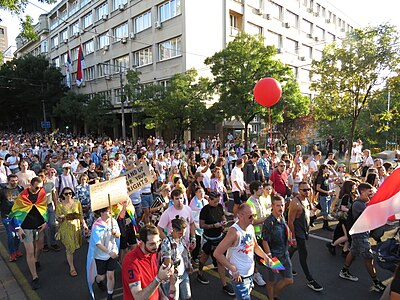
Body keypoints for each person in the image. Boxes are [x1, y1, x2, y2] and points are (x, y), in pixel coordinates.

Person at [214, 203, 273, 300]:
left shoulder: (250, 227)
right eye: (250, 216)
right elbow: (217, 253)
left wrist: (266, 257)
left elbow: (255, 246)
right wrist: (233, 269)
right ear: (240, 215)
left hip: (250, 274)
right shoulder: (234, 232)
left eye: (253, 215)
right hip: (239, 276)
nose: (253, 218)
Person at [339, 182, 386, 293]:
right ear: (363, 192)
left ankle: (344, 271)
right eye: (369, 191)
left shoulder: (365, 203)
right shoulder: (359, 204)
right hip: (360, 235)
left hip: (362, 233)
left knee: (353, 251)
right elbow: (370, 216)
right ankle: (376, 282)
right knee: (368, 258)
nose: (371, 193)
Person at [10, 177, 47, 290]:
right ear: (30, 185)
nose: (38, 189)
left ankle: (36, 260)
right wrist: (18, 228)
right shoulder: (22, 196)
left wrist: (45, 222)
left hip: (39, 226)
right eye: (36, 187)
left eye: (40, 187)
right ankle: (34, 277)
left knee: (40, 247)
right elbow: (15, 212)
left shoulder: (42, 193)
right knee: (30, 251)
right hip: (26, 227)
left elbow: (43, 208)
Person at [196, 192, 235, 296]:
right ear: (209, 200)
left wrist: (223, 222)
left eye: (218, 201)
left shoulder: (219, 206)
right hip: (208, 239)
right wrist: (214, 225)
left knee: (220, 262)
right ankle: (199, 272)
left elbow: (223, 217)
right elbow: (201, 225)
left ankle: (224, 285)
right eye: (215, 201)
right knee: (204, 258)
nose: (217, 203)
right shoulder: (205, 210)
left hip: (218, 238)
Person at [122, 224, 174, 300]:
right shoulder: (131, 261)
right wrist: (159, 279)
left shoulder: (151, 253)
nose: (156, 247)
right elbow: (138, 297)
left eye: (158, 241)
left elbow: (153, 279)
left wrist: (162, 295)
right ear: (142, 242)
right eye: (152, 244)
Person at [288, 181, 323, 292]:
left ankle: (282, 265)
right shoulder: (295, 203)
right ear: (299, 190)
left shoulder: (306, 199)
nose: (307, 191)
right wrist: (293, 237)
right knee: (304, 255)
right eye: (304, 190)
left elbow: (310, 209)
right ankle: (310, 280)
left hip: (304, 231)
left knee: (293, 249)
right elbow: (290, 221)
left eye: (308, 189)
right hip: (298, 233)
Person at [262, 196, 294, 300]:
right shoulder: (269, 222)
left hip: (284, 254)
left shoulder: (282, 216)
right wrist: (269, 258)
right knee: (272, 281)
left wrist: (290, 240)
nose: (281, 207)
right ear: (272, 206)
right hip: (274, 256)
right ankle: (271, 297)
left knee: (289, 279)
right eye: (278, 205)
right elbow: (264, 241)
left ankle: (274, 294)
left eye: (282, 205)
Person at [88, 206, 121, 300]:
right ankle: (98, 281)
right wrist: (109, 252)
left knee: (110, 275)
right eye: (108, 212)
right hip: (101, 256)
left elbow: (119, 235)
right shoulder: (96, 226)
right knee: (101, 276)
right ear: (102, 213)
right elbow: (97, 243)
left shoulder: (113, 221)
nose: (110, 213)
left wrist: (115, 233)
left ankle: (109, 296)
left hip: (112, 253)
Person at [56, 187, 88, 276]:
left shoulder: (77, 203)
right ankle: (72, 267)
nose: (68, 195)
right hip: (66, 228)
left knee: (74, 246)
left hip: (76, 227)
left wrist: (84, 224)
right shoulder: (60, 205)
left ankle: (69, 257)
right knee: (70, 247)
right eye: (66, 194)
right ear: (62, 195)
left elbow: (80, 215)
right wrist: (61, 218)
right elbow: (57, 218)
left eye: (70, 193)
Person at [160, 217, 193, 300]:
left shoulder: (181, 239)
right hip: (172, 278)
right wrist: (172, 283)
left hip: (183, 273)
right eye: (180, 233)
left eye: (183, 233)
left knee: (187, 297)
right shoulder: (167, 243)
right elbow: (168, 265)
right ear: (173, 230)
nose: (182, 235)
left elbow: (184, 255)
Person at [246, 181, 268, 287]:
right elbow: (252, 221)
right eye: (260, 188)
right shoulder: (250, 202)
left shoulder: (262, 199)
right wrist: (265, 219)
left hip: (263, 232)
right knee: (253, 255)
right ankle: (255, 274)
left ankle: (271, 266)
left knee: (264, 253)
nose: (262, 190)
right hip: (255, 233)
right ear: (254, 190)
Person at [0, 174, 24, 261]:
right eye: (13, 181)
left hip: (18, 215)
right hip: (7, 216)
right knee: (11, 235)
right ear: (8, 180)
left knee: (18, 235)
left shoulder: (20, 189)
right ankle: (12, 253)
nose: (15, 182)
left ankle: (16, 249)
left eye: (16, 180)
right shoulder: (2, 191)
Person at [36, 171, 61, 252]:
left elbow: (54, 195)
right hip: (40, 209)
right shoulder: (35, 186)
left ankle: (53, 243)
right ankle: (45, 244)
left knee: (52, 225)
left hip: (50, 206)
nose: (40, 177)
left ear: (45, 176)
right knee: (43, 227)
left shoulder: (50, 184)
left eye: (42, 175)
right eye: (38, 175)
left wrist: (56, 205)